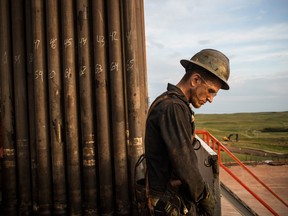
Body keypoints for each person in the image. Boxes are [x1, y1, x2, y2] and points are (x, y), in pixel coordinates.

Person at [144, 49, 230, 215]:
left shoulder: (169, 102)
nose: (211, 99)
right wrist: (204, 198)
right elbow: (185, 165)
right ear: (195, 80)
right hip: (167, 202)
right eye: (211, 91)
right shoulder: (173, 108)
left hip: (167, 198)